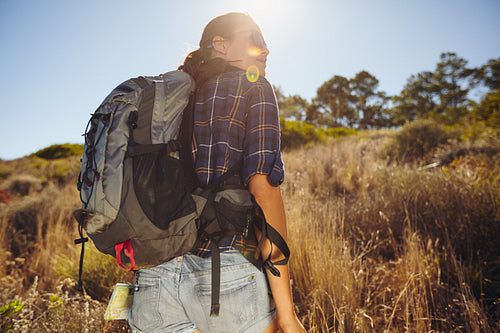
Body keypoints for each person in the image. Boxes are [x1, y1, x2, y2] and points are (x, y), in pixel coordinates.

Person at [129, 12, 305, 333]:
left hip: (153, 280)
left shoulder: (164, 101)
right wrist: (287, 314)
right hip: (224, 272)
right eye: (256, 39)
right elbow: (263, 189)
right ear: (220, 45)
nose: (265, 50)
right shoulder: (251, 86)